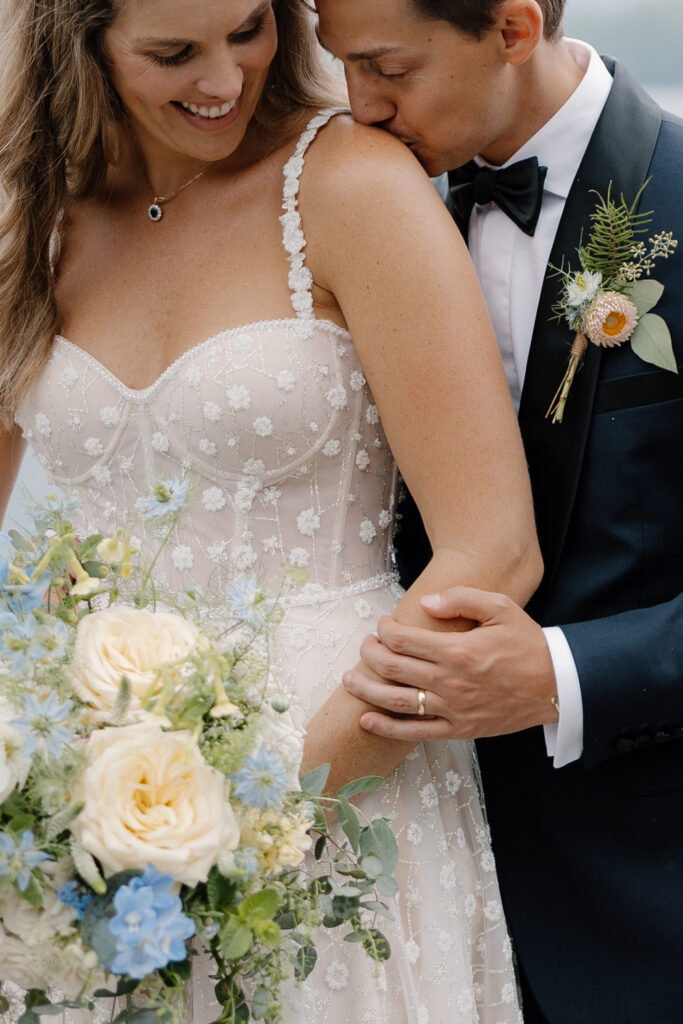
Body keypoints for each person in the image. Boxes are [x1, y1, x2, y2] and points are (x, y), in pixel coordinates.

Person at [0, 0, 543, 1020]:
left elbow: (490, 549)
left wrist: (257, 820)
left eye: (247, 30)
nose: (223, 80)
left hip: (350, 789)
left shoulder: (351, 185)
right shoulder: (31, 210)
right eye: (173, 52)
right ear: (78, 39)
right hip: (90, 831)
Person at [315, 0, 683, 1021]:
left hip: (634, 905)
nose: (357, 105)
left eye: (387, 66)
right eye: (337, 63)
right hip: (391, 889)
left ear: (513, 29)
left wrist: (565, 673)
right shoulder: (343, 205)